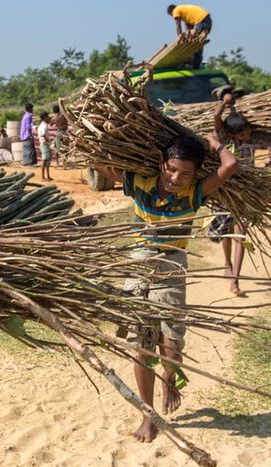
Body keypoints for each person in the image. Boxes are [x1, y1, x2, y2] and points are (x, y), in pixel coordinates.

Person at [96, 132, 238, 443]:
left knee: (172, 342)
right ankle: (148, 414)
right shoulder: (140, 182)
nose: (176, 178)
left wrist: (215, 144)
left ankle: (170, 377)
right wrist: (105, 141)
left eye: (186, 173)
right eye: (171, 169)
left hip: (173, 265)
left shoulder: (195, 192)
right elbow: (103, 165)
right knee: (141, 341)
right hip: (138, 263)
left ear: (196, 174)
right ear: (162, 164)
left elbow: (231, 165)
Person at [207, 90, 254, 296]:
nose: (246, 136)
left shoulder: (251, 141)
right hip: (224, 191)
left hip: (244, 193)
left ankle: (235, 279)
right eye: (242, 135)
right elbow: (217, 118)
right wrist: (225, 102)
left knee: (240, 234)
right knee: (226, 231)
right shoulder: (226, 140)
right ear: (233, 135)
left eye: (247, 132)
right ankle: (226, 263)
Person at [167, 4, 212, 69]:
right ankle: (196, 65)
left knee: (195, 46)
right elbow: (188, 28)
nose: (173, 17)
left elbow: (178, 26)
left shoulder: (176, 10)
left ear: (171, 12)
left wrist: (180, 36)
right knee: (198, 45)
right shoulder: (184, 12)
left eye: (171, 16)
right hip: (208, 21)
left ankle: (194, 65)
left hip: (201, 21)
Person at [37, 112, 52, 181]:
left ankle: (47, 176)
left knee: (47, 160)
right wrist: (49, 142)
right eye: (47, 116)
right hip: (44, 144)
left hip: (45, 144)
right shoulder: (44, 126)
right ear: (44, 117)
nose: (49, 118)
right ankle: (43, 177)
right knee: (45, 160)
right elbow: (43, 135)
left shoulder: (43, 125)